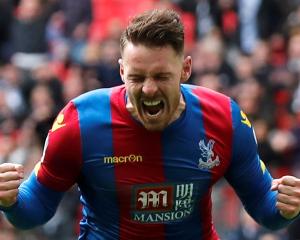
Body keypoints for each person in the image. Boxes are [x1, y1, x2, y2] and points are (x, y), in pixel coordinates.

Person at [0, 9, 300, 240]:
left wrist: (285, 209)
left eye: (161, 77)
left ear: (185, 69)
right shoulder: (80, 122)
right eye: (137, 78)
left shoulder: (223, 118)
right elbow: (36, 207)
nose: (148, 89)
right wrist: (11, 201)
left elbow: (263, 205)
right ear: (120, 71)